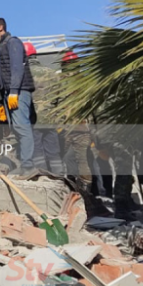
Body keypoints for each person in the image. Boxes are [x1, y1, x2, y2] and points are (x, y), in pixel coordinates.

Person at [58, 52, 110, 217]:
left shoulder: (64, 82)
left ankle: (81, 194)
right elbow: (96, 109)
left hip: (73, 129)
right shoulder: (81, 81)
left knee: (74, 161)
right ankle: (83, 193)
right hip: (77, 128)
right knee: (79, 160)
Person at [0, 18, 36, 177]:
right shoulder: (1, 47)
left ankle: (28, 166)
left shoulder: (12, 42)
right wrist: (0, 101)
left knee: (22, 127)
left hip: (18, 91)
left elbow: (17, 67)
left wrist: (14, 91)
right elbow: (0, 77)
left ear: (0, 27)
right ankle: (23, 165)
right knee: (17, 129)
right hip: (9, 93)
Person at [25, 42, 64, 175]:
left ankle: (43, 176)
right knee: (53, 149)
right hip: (50, 118)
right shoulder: (52, 73)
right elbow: (60, 98)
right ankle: (59, 176)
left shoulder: (24, 74)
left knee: (37, 149)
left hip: (33, 119)